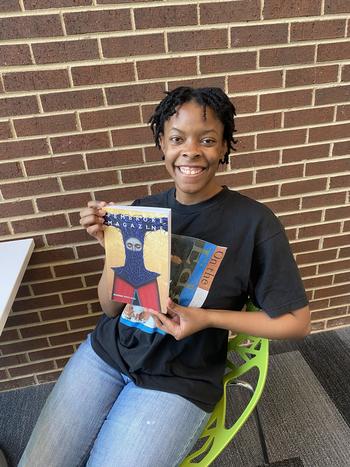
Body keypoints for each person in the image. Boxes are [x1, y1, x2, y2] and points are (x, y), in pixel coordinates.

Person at [19, 87, 310, 467]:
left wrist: (206, 318)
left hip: (180, 376)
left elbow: (297, 322)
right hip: (107, 354)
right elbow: (110, 307)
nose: (190, 150)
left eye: (207, 140)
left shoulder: (254, 223)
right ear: (162, 144)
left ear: (224, 148)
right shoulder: (143, 210)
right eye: (177, 139)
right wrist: (112, 246)